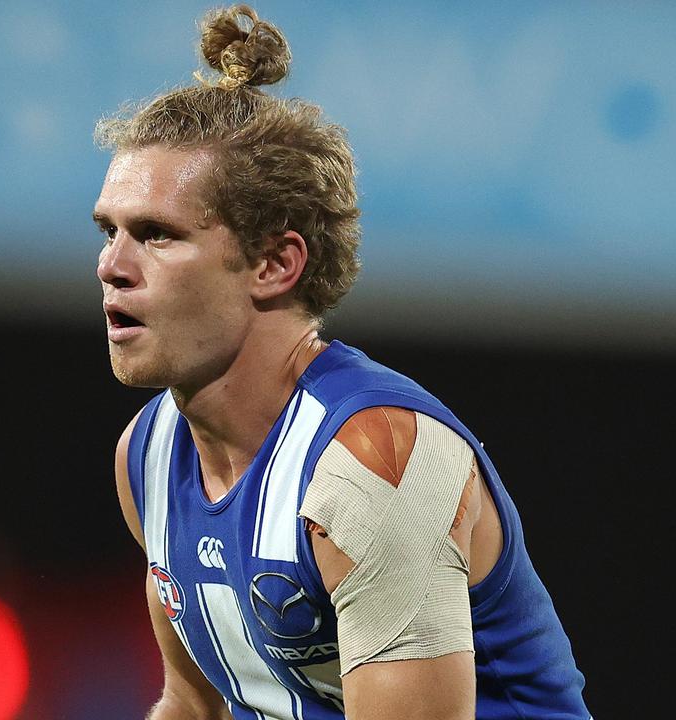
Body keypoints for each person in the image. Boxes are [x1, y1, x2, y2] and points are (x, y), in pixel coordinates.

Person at [94, 6, 589, 719]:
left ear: (274, 263)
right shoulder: (146, 456)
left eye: (157, 235)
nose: (112, 265)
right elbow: (192, 705)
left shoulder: (374, 464)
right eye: (108, 231)